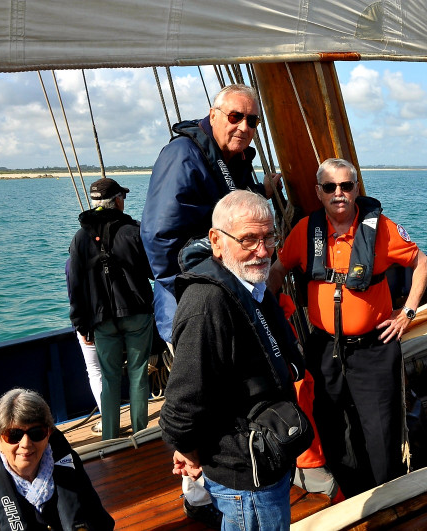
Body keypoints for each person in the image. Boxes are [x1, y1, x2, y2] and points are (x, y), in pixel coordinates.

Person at [140, 83, 280, 521]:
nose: (243, 126)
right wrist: (198, 292)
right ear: (213, 114)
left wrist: (262, 192)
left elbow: (231, 213)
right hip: (196, 303)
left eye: (252, 120)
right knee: (200, 393)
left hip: (234, 298)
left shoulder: (235, 161)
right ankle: (199, 494)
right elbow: (159, 237)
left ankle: (218, 481)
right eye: (234, 116)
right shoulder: (184, 155)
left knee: (230, 393)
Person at [268, 157, 427, 497]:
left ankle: (386, 495)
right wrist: (266, 314)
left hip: (373, 348)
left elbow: (422, 262)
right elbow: (278, 269)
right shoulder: (306, 231)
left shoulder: (382, 229)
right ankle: (353, 493)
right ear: (319, 192)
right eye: (330, 187)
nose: (338, 193)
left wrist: (408, 312)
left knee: (381, 427)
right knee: (330, 424)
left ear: (357, 189)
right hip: (325, 348)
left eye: (346, 185)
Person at [159, 190, 306, 531]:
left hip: (265, 456)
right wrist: (187, 449)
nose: (263, 251)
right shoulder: (206, 304)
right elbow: (181, 405)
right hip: (245, 475)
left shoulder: (251, 288)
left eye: (269, 237)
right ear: (216, 240)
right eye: (249, 239)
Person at [0, 388, 114, 530]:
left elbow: (102, 524)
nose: (26, 444)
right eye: (14, 435)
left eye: (36, 433)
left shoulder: (69, 467)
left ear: (48, 434)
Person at [68, 177, 154, 441]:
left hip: (101, 319)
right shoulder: (133, 232)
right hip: (136, 314)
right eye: (122, 197)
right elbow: (153, 271)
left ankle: (110, 437)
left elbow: (75, 284)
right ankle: (140, 433)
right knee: (138, 375)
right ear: (117, 201)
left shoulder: (80, 238)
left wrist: (80, 323)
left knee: (109, 378)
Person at [65, 258, 103, 434]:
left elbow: (75, 297)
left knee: (95, 371)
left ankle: (108, 419)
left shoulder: (73, 263)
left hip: (91, 325)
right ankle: (138, 418)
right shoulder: (110, 254)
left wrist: (81, 327)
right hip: (117, 320)